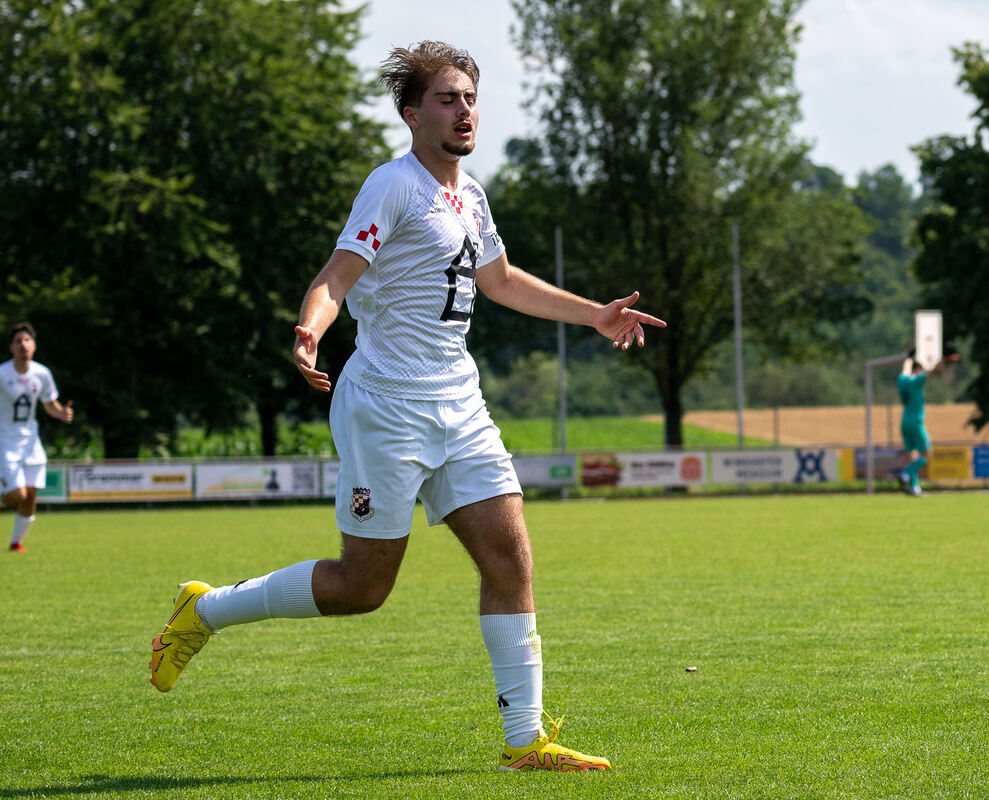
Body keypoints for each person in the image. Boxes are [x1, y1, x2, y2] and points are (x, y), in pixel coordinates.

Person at [149, 41, 666, 772]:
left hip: (460, 403)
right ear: (412, 114)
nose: (464, 111)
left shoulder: (471, 195)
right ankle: (203, 610)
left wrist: (594, 315)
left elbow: (501, 281)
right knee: (361, 588)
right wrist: (310, 330)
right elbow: (337, 275)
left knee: (511, 558)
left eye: (470, 98)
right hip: (386, 409)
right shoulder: (391, 185)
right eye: (447, 99)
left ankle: (525, 741)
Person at [1, 322, 74, 552]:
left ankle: (16, 542)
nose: (23, 344)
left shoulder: (41, 373)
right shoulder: (2, 373)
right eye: (18, 341)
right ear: (11, 347)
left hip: (31, 442)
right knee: (17, 494)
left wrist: (61, 413)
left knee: (30, 495)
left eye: (27, 340)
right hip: (5, 441)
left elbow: (49, 403)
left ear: (34, 345)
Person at [896, 347, 957, 496]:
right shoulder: (916, 381)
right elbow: (933, 372)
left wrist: (908, 358)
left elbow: (905, 370)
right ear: (917, 370)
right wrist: (943, 358)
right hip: (916, 423)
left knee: (913, 457)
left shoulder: (902, 380)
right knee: (926, 454)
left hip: (904, 422)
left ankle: (914, 488)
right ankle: (905, 475)